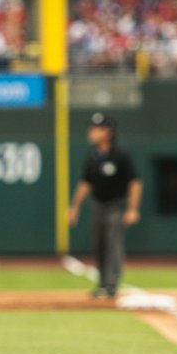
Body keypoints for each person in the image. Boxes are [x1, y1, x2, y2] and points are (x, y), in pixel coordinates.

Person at [68, 113, 141, 298]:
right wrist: (75, 206)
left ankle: (111, 285)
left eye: (96, 129)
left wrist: (132, 209)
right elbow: (86, 182)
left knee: (113, 243)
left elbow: (135, 182)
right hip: (98, 204)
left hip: (116, 205)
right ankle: (102, 283)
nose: (91, 132)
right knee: (100, 244)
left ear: (107, 132)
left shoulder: (121, 155)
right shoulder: (92, 155)